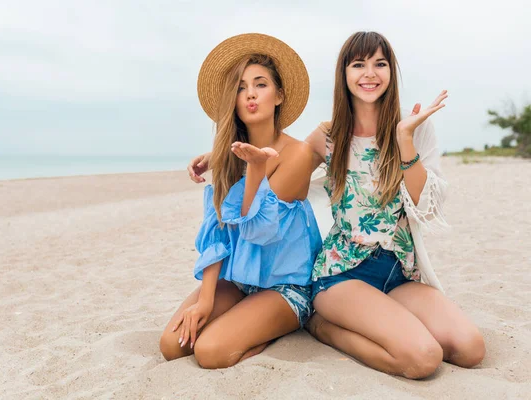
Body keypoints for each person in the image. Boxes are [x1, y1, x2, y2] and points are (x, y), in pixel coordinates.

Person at [186, 31, 485, 378]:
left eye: (380, 64)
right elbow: (280, 155)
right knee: (423, 358)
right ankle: (323, 327)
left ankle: (369, 319)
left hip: (400, 272)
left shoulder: (414, 129)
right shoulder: (329, 136)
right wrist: (218, 156)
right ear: (344, 75)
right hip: (343, 273)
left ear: (392, 72)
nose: (369, 73)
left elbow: (425, 206)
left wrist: (405, 140)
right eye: (358, 64)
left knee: (470, 349)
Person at [160, 33, 322, 369]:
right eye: (240, 87)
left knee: (210, 351)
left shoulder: (298, 154)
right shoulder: (228, 156)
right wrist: (206, 301)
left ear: (279, 95)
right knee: (172, 346)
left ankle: (269, 332)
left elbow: (258, 231)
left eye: (260, 84)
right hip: (237, 281)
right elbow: (216, 234)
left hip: (286, 286)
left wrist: (257, 168)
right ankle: (237, 322)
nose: (249, 93)